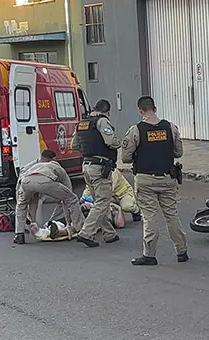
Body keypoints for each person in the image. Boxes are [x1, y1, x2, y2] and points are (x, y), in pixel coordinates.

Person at [120, 95, 188, 265]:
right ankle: (182, 251)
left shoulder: (136, 130)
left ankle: (149, 255)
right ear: (155, 108)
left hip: (145, 179)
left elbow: (126, 158)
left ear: (140, 110)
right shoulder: (170, 127)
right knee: (172, 215)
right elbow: (178, 152)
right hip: (167, 178)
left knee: (150, 217)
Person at [72, 98, 122, 248]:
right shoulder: (102, 121)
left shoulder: (82, 123)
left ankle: (109, 233)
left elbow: (74, 145)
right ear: (107, 111)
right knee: (103, 202)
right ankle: (86, 233)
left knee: (100, 201)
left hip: (86, 166)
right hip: (100, 167)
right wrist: (121, 142)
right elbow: (111, 142)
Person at [13, 149, 83, 245]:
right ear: (54, 159)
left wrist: (19, 198)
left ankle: (19, 234)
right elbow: (68, 196)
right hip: (45, 180)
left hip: (26, 181)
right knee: (72, 199)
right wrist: (68, 222)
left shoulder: (33, 165)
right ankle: (79, 228)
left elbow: (20, 180)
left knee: (22, 205)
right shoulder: (57, 167)